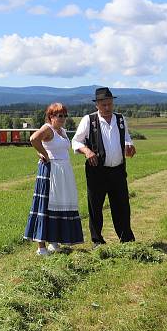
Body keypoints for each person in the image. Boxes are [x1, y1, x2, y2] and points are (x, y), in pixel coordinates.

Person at [72, 87, 137, 247]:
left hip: (118, 171)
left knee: (122, 206)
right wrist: (87, 151)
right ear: (97, 105)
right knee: (95, 207)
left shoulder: (120, 120)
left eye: (110, 104)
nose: (108, 108)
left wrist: (130, 146)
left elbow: (126, 138)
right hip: (97, 172)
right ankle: (97, 241)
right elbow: (76, 141)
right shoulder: (89, 120)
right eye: (104, 105)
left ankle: (126, 239)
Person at [24, 103, 84, 255]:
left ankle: (54, 242)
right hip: (50, 171)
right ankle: (41, 248)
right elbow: (33, 139)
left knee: (59, 205)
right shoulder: (47, 128)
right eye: (59, 115)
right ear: (51, 117)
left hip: (63, 172)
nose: (63, 118)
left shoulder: (62, 131)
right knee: (44, 206)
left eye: (64, 115)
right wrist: (44, 154)